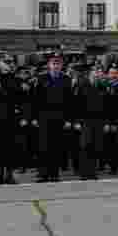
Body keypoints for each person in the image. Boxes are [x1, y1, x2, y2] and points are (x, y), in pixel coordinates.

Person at [35, 55, 71, 183]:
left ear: (61, 66)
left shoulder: (66, 79)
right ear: (49, 65)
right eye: (53, 64)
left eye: (58, 64)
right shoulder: (41, 78)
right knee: (43, 146)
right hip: (44, 118)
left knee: (56, 146)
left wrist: (67, 119)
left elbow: (69, 101)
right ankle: (43, 174)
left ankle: (54, 174)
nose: (56, 66)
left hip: (59, 118)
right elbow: (36, 99)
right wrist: (35, 117)